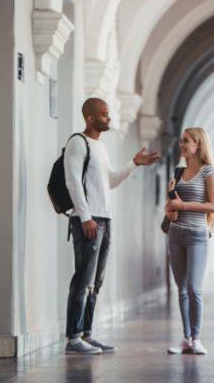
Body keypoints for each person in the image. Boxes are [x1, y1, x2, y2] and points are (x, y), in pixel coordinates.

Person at [64, 97, 160, 354]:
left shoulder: (100, 148)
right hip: (88, 219)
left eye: (109, 113)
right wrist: (85, 217)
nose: (109, 118)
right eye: (104, 114)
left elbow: (111, 181)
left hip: (104, 219)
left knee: (97, 280)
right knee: (83, 278)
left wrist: (133, 164)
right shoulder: (78, 143)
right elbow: (73, 182)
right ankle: (73, 338)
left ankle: (86, 333)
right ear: (90, 117)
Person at [165, 127, 214, 356]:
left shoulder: (208, 172)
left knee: (193, 288)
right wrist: (171, 211)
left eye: (186, 141)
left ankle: (196, 338)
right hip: (176, 233)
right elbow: (171, 205)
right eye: (181, 141)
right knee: (181, 290)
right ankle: (185, 338)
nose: (182, 145)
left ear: (198, 144)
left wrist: (183, 206)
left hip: (197, 234)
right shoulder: (177, 172)